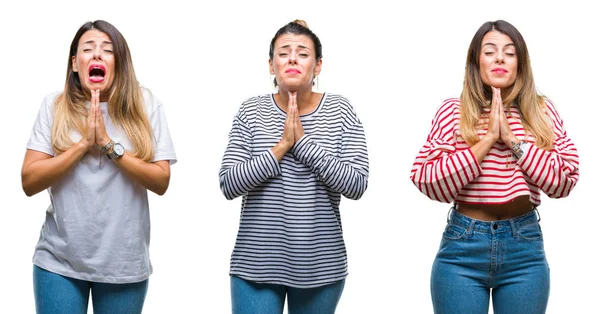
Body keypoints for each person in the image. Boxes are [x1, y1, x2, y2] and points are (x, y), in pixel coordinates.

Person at [410, 20, 579, 314]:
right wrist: (487, 140)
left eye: (509, 53)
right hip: (462, 249)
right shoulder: (453, 110)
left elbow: (564, 180)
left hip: (523, 248)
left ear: (520, 65)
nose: (499, 58)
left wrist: (513, 140)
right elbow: (427, 179)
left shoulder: (541, 111)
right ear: (476, 62)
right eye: (490, 51)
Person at [22, 20, 176, 314]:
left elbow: (161, 181)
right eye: (87, 49)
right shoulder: (53, 106)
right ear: (74, 64)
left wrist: (108, 145)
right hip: (58, 262)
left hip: (124, 264)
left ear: (118, 62)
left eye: (107, 50)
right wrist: (82, 146)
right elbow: (29, 181)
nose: (96, 56)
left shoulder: (146, 105)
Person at [219, 19, 369, 314]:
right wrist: (281, 147)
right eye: (283, 52)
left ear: (318, 65)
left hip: (321, 267)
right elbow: (229, 183)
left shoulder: (340, 110)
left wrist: (301, 143)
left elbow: (357, 183)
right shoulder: (251, 110)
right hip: (255, 266)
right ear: (271, 64)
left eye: (302, 53)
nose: (292, 59)